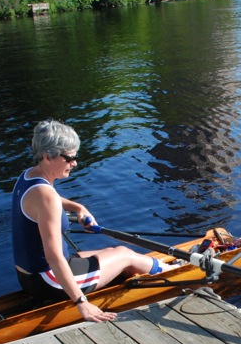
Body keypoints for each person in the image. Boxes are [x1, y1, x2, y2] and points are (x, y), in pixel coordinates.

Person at [12, 119, 170, 322]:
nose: (74, 163)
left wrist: (78, 207)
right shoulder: (46, 196)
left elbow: (48, 202)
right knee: (124, 255)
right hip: (49, 281)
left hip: (28, 276)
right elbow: (54, 257)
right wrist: (81, 302)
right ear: (47, 157)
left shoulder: (28, 177)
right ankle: (179, 272)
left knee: (112, 251)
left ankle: (164, 268)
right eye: (69, 158)